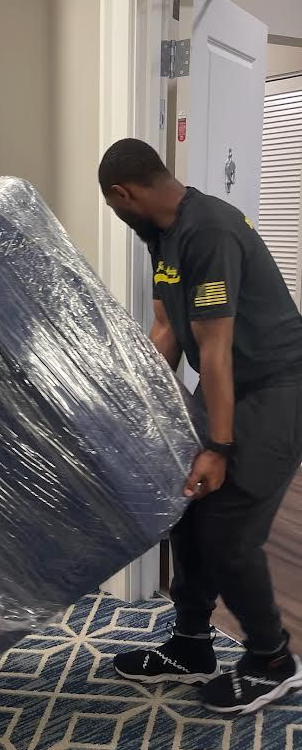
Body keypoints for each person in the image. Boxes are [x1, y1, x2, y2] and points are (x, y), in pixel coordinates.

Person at [98, 138, 302, 715]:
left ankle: (272, 660)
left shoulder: (208, 231)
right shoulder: (164, 235)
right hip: (234, 384)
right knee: (187, 511)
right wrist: (131, 399)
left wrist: (218, 445)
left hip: (277, 390)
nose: (117, 215)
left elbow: (213, 351)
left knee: (229, 534)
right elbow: (168, 328)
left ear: (123, 194)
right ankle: (192, 644)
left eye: (113, 207)